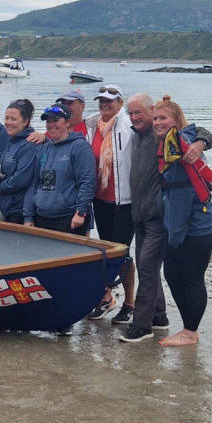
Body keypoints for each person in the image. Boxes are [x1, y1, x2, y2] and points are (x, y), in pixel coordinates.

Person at [119, 93, 212, 343]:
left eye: (140, 112)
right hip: (140, 214)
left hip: (164, 219)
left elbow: (199, 131)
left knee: (150, 268)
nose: (134, 117)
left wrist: (201, 143)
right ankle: (158, 317)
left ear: (151, 112)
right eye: (130, 113)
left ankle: (142, 326)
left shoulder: (173, 138)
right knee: (153, 269)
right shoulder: (138, 135)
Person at [152, 94, 212, 347]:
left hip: (197, 224)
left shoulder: (185, 143)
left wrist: (175, 233)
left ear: (176, 120)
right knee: (171, 273)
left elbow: (183, 196)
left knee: (191, 277)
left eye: (163, 118)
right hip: (178, 222)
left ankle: (190, 332)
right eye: (155, 118)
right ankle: (187, 328)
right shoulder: (168, 141)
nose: (157, 122)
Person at [84, 84, 138, 324]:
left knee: (122, 253)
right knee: (106, 252)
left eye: (110, 101)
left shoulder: (130, 125)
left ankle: (130, 303)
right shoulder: (92, 124)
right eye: (102, 101)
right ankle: (107, 299)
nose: (105, 105)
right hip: (101, 199)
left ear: (120, 103)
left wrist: (200, 140)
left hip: (125, 201)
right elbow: (66, 125)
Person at [23, 103, 95, 235]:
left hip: (69, 217)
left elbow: (87, 182)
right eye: (48, 121)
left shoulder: (80, 147)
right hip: (42, 217)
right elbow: (35, 184)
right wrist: (28, 216)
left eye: (56, 120)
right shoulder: (43, 149)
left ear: (67, 122)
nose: (51, 125)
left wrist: (81, 212)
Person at [0, 99, 37, 224]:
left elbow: (21, 179)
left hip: (20, 210)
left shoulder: (30, 145)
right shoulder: (10, 140)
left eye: (13, 119)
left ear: (25, 121)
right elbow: (8, 171)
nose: (8, 123)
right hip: (7, 207)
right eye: (6, 118)